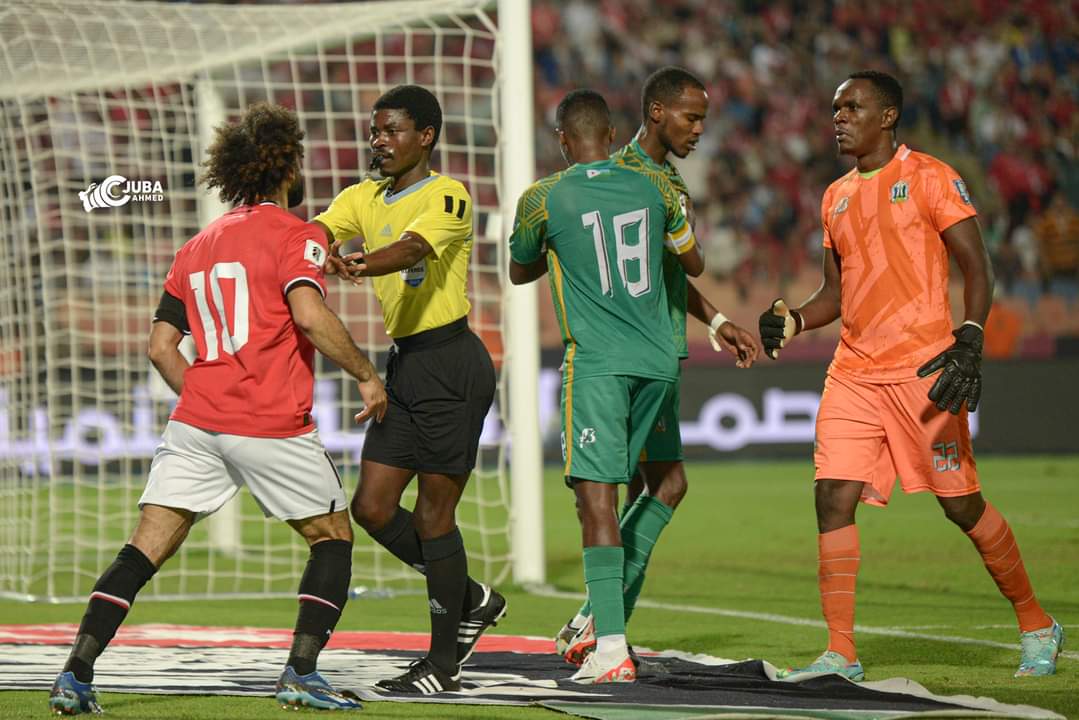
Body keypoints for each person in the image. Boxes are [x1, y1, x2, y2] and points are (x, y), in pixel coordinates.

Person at [48, 102, 387, 715]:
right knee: (332, 537)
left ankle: (75, 674)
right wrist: (366, 373)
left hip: (196, 423)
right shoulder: (299, 234)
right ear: (288, 169)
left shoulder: (196, 246)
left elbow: (160, 347)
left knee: (141, 551)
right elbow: (309, 314)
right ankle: (301, 672)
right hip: (270, 422)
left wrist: (210, 396)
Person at [759, 70, 1062, 680]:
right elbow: (835, 292)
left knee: (962, 506)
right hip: (853, 372)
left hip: (925, 371)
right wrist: (794, 320)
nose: (839, 118)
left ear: (888, 115)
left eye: (852, 107)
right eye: (835, 108)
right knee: (832, 496)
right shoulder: (835, 195)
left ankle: (1036, 623)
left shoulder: (930, 177)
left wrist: (970, 336)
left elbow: (977, 265)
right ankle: (840, 652)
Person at [555, 66, 761, 668]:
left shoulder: (667, 182)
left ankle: (599, 619)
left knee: (667, 483)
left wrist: (716, 322)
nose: (698, 129)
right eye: (690, 118)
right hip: (620, 356)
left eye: (702, 119)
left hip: (661, 351)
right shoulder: (617, 178)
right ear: (656, 112)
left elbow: (667, 270)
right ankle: (605, 625)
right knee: (615, 488)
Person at [509, 89, 705, 684]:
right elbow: (692, 262)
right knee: (666, 481)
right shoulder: (657, 188)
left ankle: (610, 645)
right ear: (612, 133)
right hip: (659, 361)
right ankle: (601, 616)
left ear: (563, 141)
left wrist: (566, 246)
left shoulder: (544, 197)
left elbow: (519, 269)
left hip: (597, 364)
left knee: (596, 499)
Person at [314, 84, 503, 695]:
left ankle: (443, 665)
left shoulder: (448, 195)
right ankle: (469, 596)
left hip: (452, 364)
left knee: (433, 515)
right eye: (375, 130)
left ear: (426, 136)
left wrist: (358, 262)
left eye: (392, 130)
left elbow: (412, 248)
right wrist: (304, 243)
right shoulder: (362, 197)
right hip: (405, 366)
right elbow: (316, 231)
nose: (379, 141)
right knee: (371, 507)